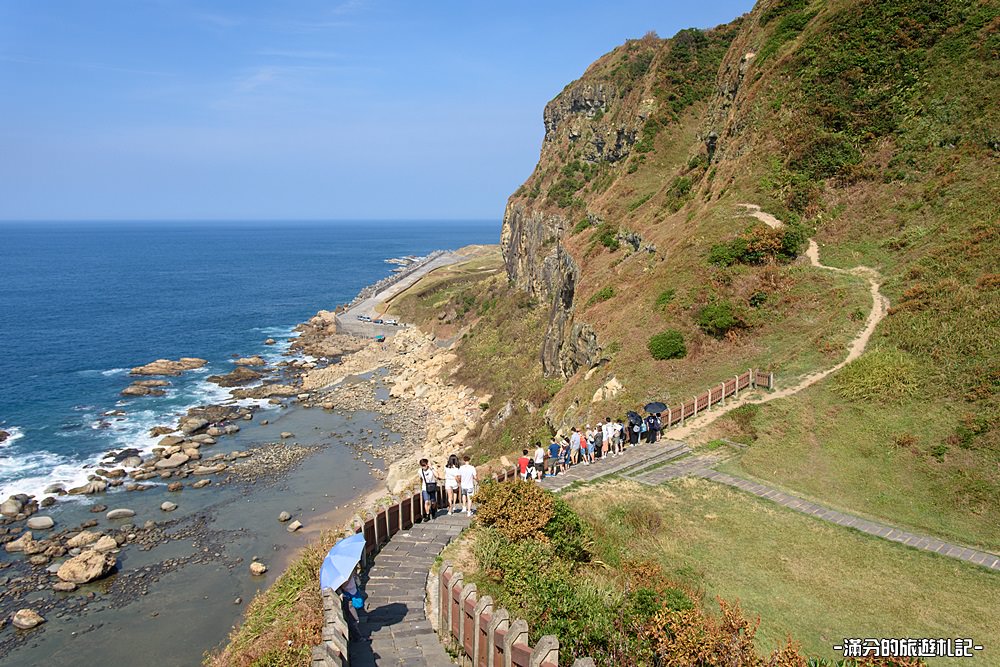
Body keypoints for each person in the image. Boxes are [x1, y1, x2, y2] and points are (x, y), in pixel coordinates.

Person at [336, 564, 363, 641]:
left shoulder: (350, 572)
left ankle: (354, 636)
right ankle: (357, 638)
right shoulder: (343, 576)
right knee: (353, 619)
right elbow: (345, 585)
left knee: (353, 617)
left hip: (353, 594)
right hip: (348, 597)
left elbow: (357, 582)